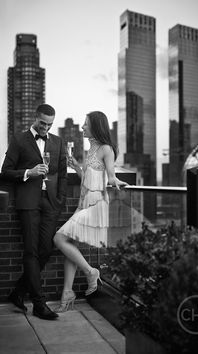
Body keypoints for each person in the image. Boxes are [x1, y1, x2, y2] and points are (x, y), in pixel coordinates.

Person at [54, 111, 127, 312]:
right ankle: (67, 293)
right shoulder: (90, 149)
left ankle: (90, 272)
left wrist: (116, 181)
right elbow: (88, 178)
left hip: (96, 205)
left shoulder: (106, 149)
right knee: (69, 243)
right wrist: (77, 167)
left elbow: (110, 176)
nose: (83, 127)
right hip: (83, 203)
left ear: (95, 127)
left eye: (86, 124)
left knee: (59, 239)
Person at [1, 104, 67, 320]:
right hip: (28, 201)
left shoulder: (58, 142)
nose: (46, 128)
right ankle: (39, 304)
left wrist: (59, 200)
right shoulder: (19, 140)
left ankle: (18, 292)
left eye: (50, 124)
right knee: (31, 252)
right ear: (35, 118)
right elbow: (5, 172)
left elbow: (63, 173)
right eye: (42, 123)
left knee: (45, 250)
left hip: (50, 203)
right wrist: (28, 172)